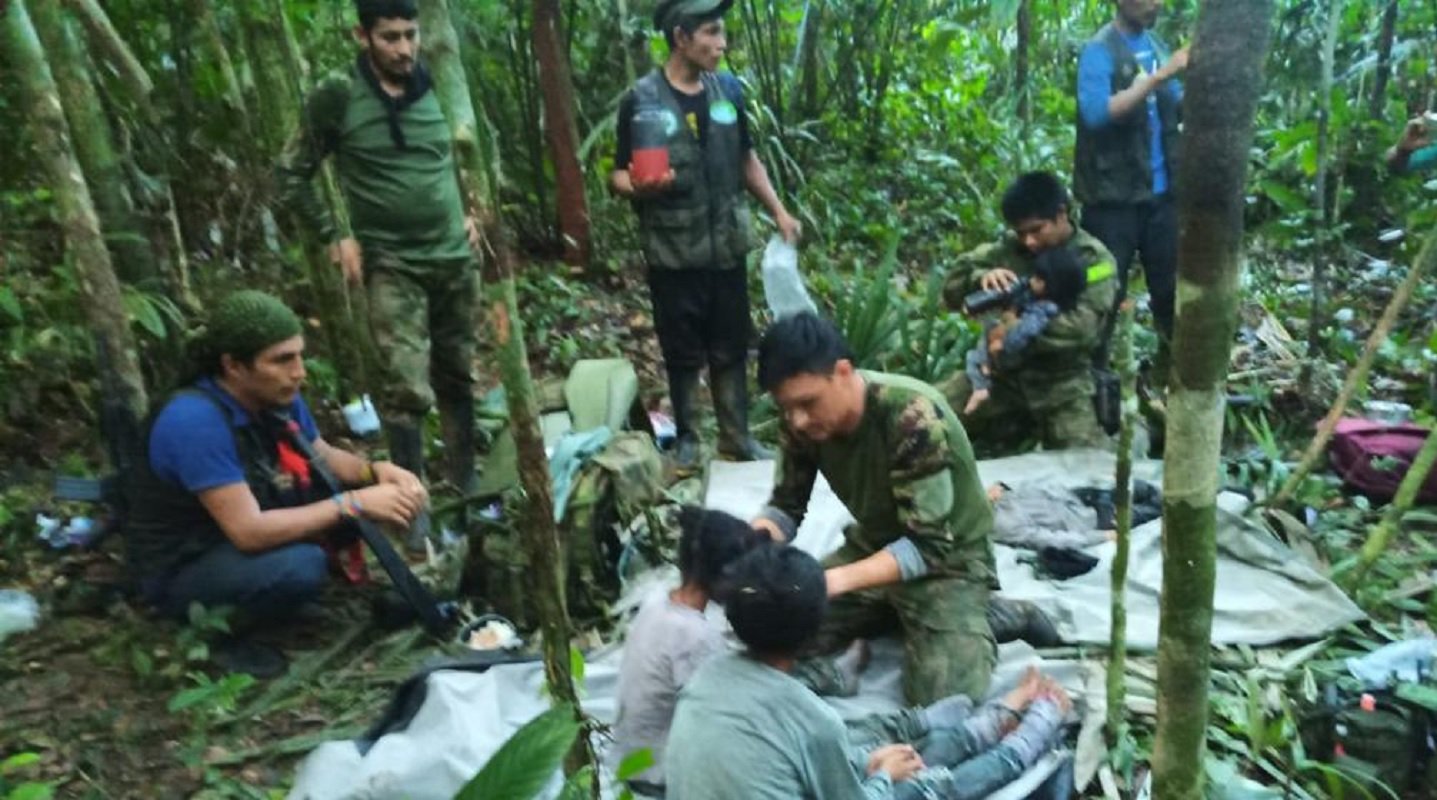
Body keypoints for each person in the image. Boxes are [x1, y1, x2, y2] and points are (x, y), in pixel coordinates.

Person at [751, 313, 1058, 707]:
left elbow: (927, 547)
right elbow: (786, 505)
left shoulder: (910, 415)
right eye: (787, 407)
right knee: (770, 628)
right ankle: (895, 613)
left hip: (948, 560)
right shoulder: (802, 420)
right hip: (874, 546)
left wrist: (830, 582)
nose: (797, 420)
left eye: (807, 403)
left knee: (944, 699)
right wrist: (753, 542)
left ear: (842, 372)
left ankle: (998, 616)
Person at [126, 291, 427, 674]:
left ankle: (276, 594)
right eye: (282, 360)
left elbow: (321, 455)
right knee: (301, 566)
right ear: (233, 366)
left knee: (339, 497)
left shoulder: (276, 395)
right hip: (187, 562)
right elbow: (248, 532)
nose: (299, 372)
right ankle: (215, 633)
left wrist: (375, 472)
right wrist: (354, 504)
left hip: (240, 523)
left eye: (299, 356)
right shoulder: (194, 421)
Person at [276, 0, 481, 552]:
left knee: (459, 375)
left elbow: (473, 149)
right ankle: (412, 507)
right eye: (390, 37)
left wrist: (475, 206)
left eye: (411, 35)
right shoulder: (339, 94)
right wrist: (334, 236)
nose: (404, 48)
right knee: (405, 388)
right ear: (361, 35)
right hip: (391, 262)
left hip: (454, 258)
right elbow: (290, 172)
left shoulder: (441, 81)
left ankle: (468, 488)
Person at [665, 545, 1071, 800]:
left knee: (896, 756)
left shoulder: (706, 678)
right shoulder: (812, 719)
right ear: (814, 631)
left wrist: (870, 764)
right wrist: (882, 779)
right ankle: (1019, 746)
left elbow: (800, 760)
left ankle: (981, 729)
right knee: (928, 788)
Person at [610, 0, 801, 474]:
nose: (722, 44)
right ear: (681, 38)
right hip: (673, 251)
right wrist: (639, 185)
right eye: (712, 33)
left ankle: (736, 437)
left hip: (726, 246)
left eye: (722, 33)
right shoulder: (641, 99)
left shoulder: (728, 91)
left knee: (731, 345)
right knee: (682, 351)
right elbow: (616, 174)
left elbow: (745, 159)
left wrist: (778, 211)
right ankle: (689, 441)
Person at [942, 172, 1116, 453]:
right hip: (1001, 378)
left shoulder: (1093, 259)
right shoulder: (1009, 247)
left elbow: (1081, 329)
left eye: (1036, 230)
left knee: (1087, 466)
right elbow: (951, 289)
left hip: (1062, 385)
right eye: (1021, 233)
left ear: (1061, 214)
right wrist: (981, 277)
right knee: (924, 418)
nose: (1029, 242)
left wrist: (1011, 330)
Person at [610, 506, 767, 796]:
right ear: (725, 575)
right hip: (657, 774)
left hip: (628, 757)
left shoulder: (657, 600)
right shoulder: (697, 637)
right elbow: (721, 716)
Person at [1074, 0, 1187, 377]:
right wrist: (1156, 79)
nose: (1157, 4)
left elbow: (1176, 103)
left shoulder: (1156, 45)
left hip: (1161, 196)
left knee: (1170, 291)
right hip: (1112, 201)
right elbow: (1096, 114)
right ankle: (1095, 383)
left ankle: (1169, 378)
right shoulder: (1099, 51)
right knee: (1105, 292)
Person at [962, 247, 1090, 419]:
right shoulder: (1033, 295)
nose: (1032, 281)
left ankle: (980, 387)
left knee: (973, 358)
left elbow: (1024, 332)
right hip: (1007, 357)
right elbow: (1017, 291)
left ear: (1050, 285)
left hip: (1016, 360)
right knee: (985, 338)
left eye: (1038, 279)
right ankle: (984, 372)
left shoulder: (1043, 310)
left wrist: (1003, 343)